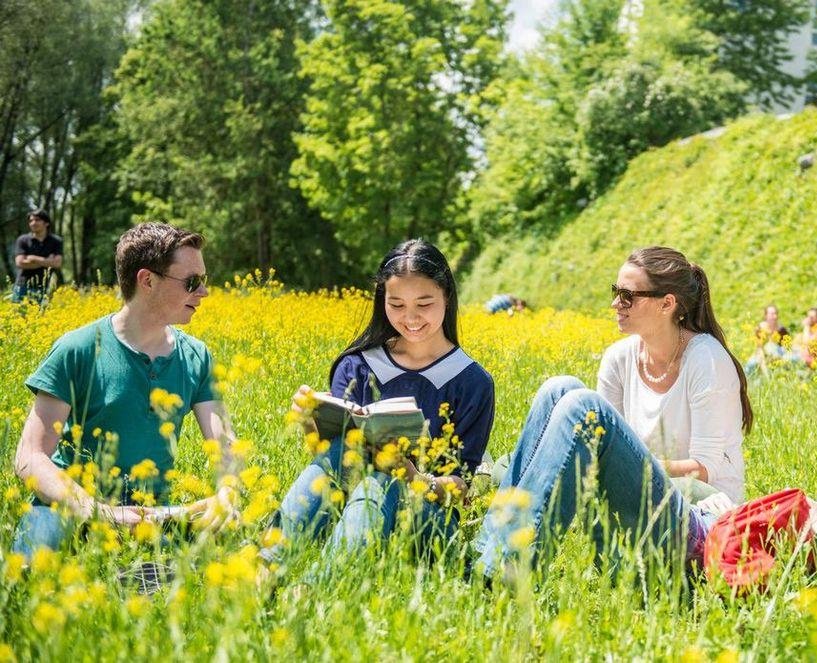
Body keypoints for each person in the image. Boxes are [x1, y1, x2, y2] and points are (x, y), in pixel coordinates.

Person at [472, 246, 751, 579]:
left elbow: (708, 469)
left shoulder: (706, 359)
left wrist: (639, 465)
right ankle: (488, 552)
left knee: (582, 407)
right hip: (635, 506)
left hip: (697, 522)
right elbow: (603, 445)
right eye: (615, 292)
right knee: (558, 389)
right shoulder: (619, 358)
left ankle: (507, 569)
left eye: (627, 296)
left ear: (667, 303)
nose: (615, 304)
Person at [12, 223, 238, 560]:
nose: (203, 292)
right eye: (192, 282)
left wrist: (227, 493)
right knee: (26, 577)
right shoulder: (78, 349)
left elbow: (223, 444)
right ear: (147, 280)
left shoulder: (197, 356)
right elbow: (30, 457)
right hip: (68, 506)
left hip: (152, 515)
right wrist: (96, 510)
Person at [266, 239, 495, 562]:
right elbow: (329, 458)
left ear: (447, 296)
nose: (410, 317)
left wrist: (416, 479)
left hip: (423, 519)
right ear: (382, 300)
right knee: (347, 455)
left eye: (424, 303)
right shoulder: (357, 365)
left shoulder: (472, 381)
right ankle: (266, 565)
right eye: (397, 305)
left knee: (384, 480)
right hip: (347, 508)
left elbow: (464, 484)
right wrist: (309, 421)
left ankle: (314, 588)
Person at [12, 208, 63, 303]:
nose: (33, 223)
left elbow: (57, 263)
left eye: (37, 220)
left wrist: (33, 258)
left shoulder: (56, 241)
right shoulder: (22, 240)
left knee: (41, 316)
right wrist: (47, 261)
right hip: (22, 286)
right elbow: (20, 263)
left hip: (44, 287)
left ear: (46, 223)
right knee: (18, 316)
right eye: (31, 220)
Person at [744, 304, 790, 375]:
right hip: (762, 353)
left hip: (779, 355)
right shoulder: (760, 328)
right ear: (766, 316)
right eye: (772, 314)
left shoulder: (782, 330)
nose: (775, 316)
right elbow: (759, 348)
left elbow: (786, 348)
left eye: (776, 313)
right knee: (750, 364)